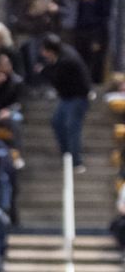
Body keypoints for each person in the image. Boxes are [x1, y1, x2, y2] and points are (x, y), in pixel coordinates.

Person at [38, 33, 91, 171]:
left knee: (72, 127)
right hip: (66, 97)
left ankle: (76, 161)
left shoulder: (67, 60)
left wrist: (43, 70)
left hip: (78, 98)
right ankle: (66, 154)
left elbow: (56, 78)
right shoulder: (60, 55)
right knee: (57, 122)